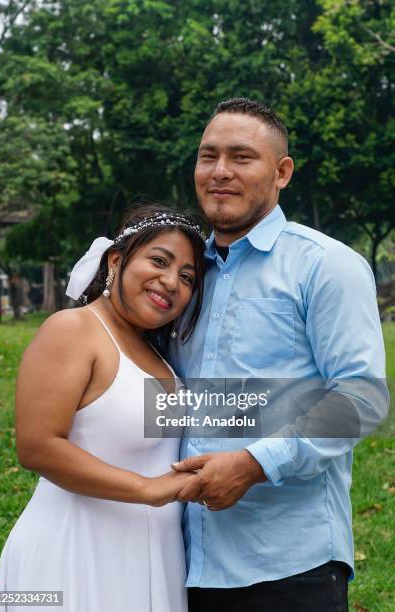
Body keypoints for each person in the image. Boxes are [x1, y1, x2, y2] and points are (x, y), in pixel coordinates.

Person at [168, 98, 388, 611]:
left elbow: (360, 397)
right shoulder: (183, 274)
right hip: (179, 557)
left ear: (282, 171)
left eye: (242, 157)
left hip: (288, 564)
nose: (220, 172)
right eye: (208, 156)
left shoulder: (326, 266)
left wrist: (252, 463)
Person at [0, 205, 206, 612]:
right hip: (72, 553)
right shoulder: (74, 329)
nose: (170, 282)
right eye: (159, 261)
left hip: (149, 556)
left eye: (186, 277)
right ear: (116, 259)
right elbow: (37, 446)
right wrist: (147, 489)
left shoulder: (159, 354)